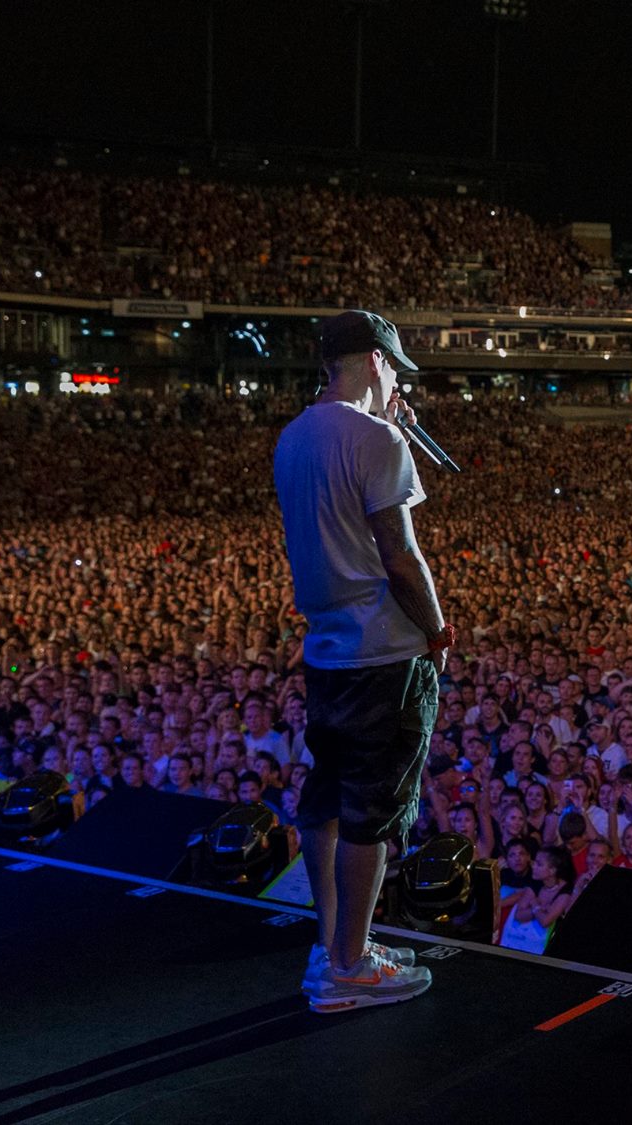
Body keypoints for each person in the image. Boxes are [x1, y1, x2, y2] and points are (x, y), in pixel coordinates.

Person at [276, 311, 448, 1013]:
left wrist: (393, 431)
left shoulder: (292, 437)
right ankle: (350, 965)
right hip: (383, 647)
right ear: (376, 359)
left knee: (327, 799)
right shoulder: (375, 437)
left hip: (327, 650)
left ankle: (332, 945)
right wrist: (436, 627)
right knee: (374, 809)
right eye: (395, 367)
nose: (398, 379)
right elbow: (398, 553)